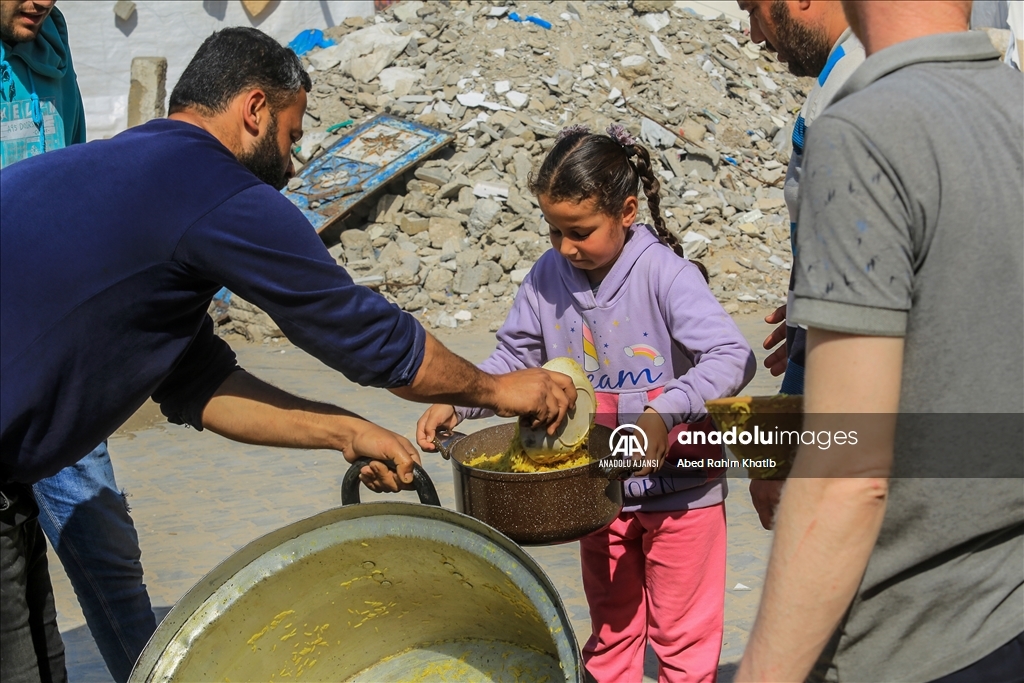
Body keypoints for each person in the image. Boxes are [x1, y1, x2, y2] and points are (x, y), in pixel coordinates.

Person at [0, 27, 578, 682]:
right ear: (254, 109)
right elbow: (365, 336)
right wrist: (501, 391)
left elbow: (199, 385)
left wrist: (346, 430)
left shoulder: (139, 175)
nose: (295, 163)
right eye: (293, 136)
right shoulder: (215, 188)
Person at [737, 1, 1023, 680]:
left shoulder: (864, 131)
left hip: (912, 638)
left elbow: (846, 475)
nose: (752, 29)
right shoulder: (1009, 99)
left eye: (751, 5)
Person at [417, 124, 756, 682]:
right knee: (613, 626)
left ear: (626, 211)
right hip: (597, 493)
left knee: (684, 634)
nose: (565, 247)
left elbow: (729, 356)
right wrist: (462, 400)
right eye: (553, 231)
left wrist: (662, 413)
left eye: (580, 231)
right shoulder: (548, 277)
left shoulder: (664, 274)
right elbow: (512, 361)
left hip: (683, 491)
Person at [1, 2, 157, 680]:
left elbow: (70, 175)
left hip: (55, 353)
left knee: (106, 552)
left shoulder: (50, 42)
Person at [737, 0, 865, 530]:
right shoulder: (850, 74)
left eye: (754, 10)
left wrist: (781, 449)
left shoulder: (854, 93)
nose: (752, 34)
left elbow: (849, 297)